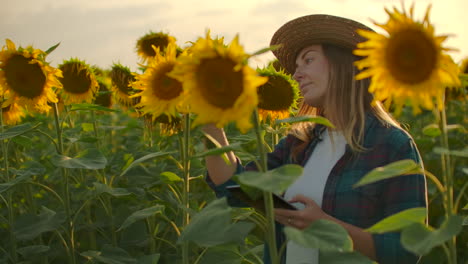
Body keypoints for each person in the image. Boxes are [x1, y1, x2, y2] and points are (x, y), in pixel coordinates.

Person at [203, 14, 427, 264]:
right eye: (296, 66)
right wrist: (210, 118)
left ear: (346, 64)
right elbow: (234, 190)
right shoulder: (299, 143)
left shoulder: (391, 145)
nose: (296, 75)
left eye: (308, 60)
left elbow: (407, 250)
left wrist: (326, 226)